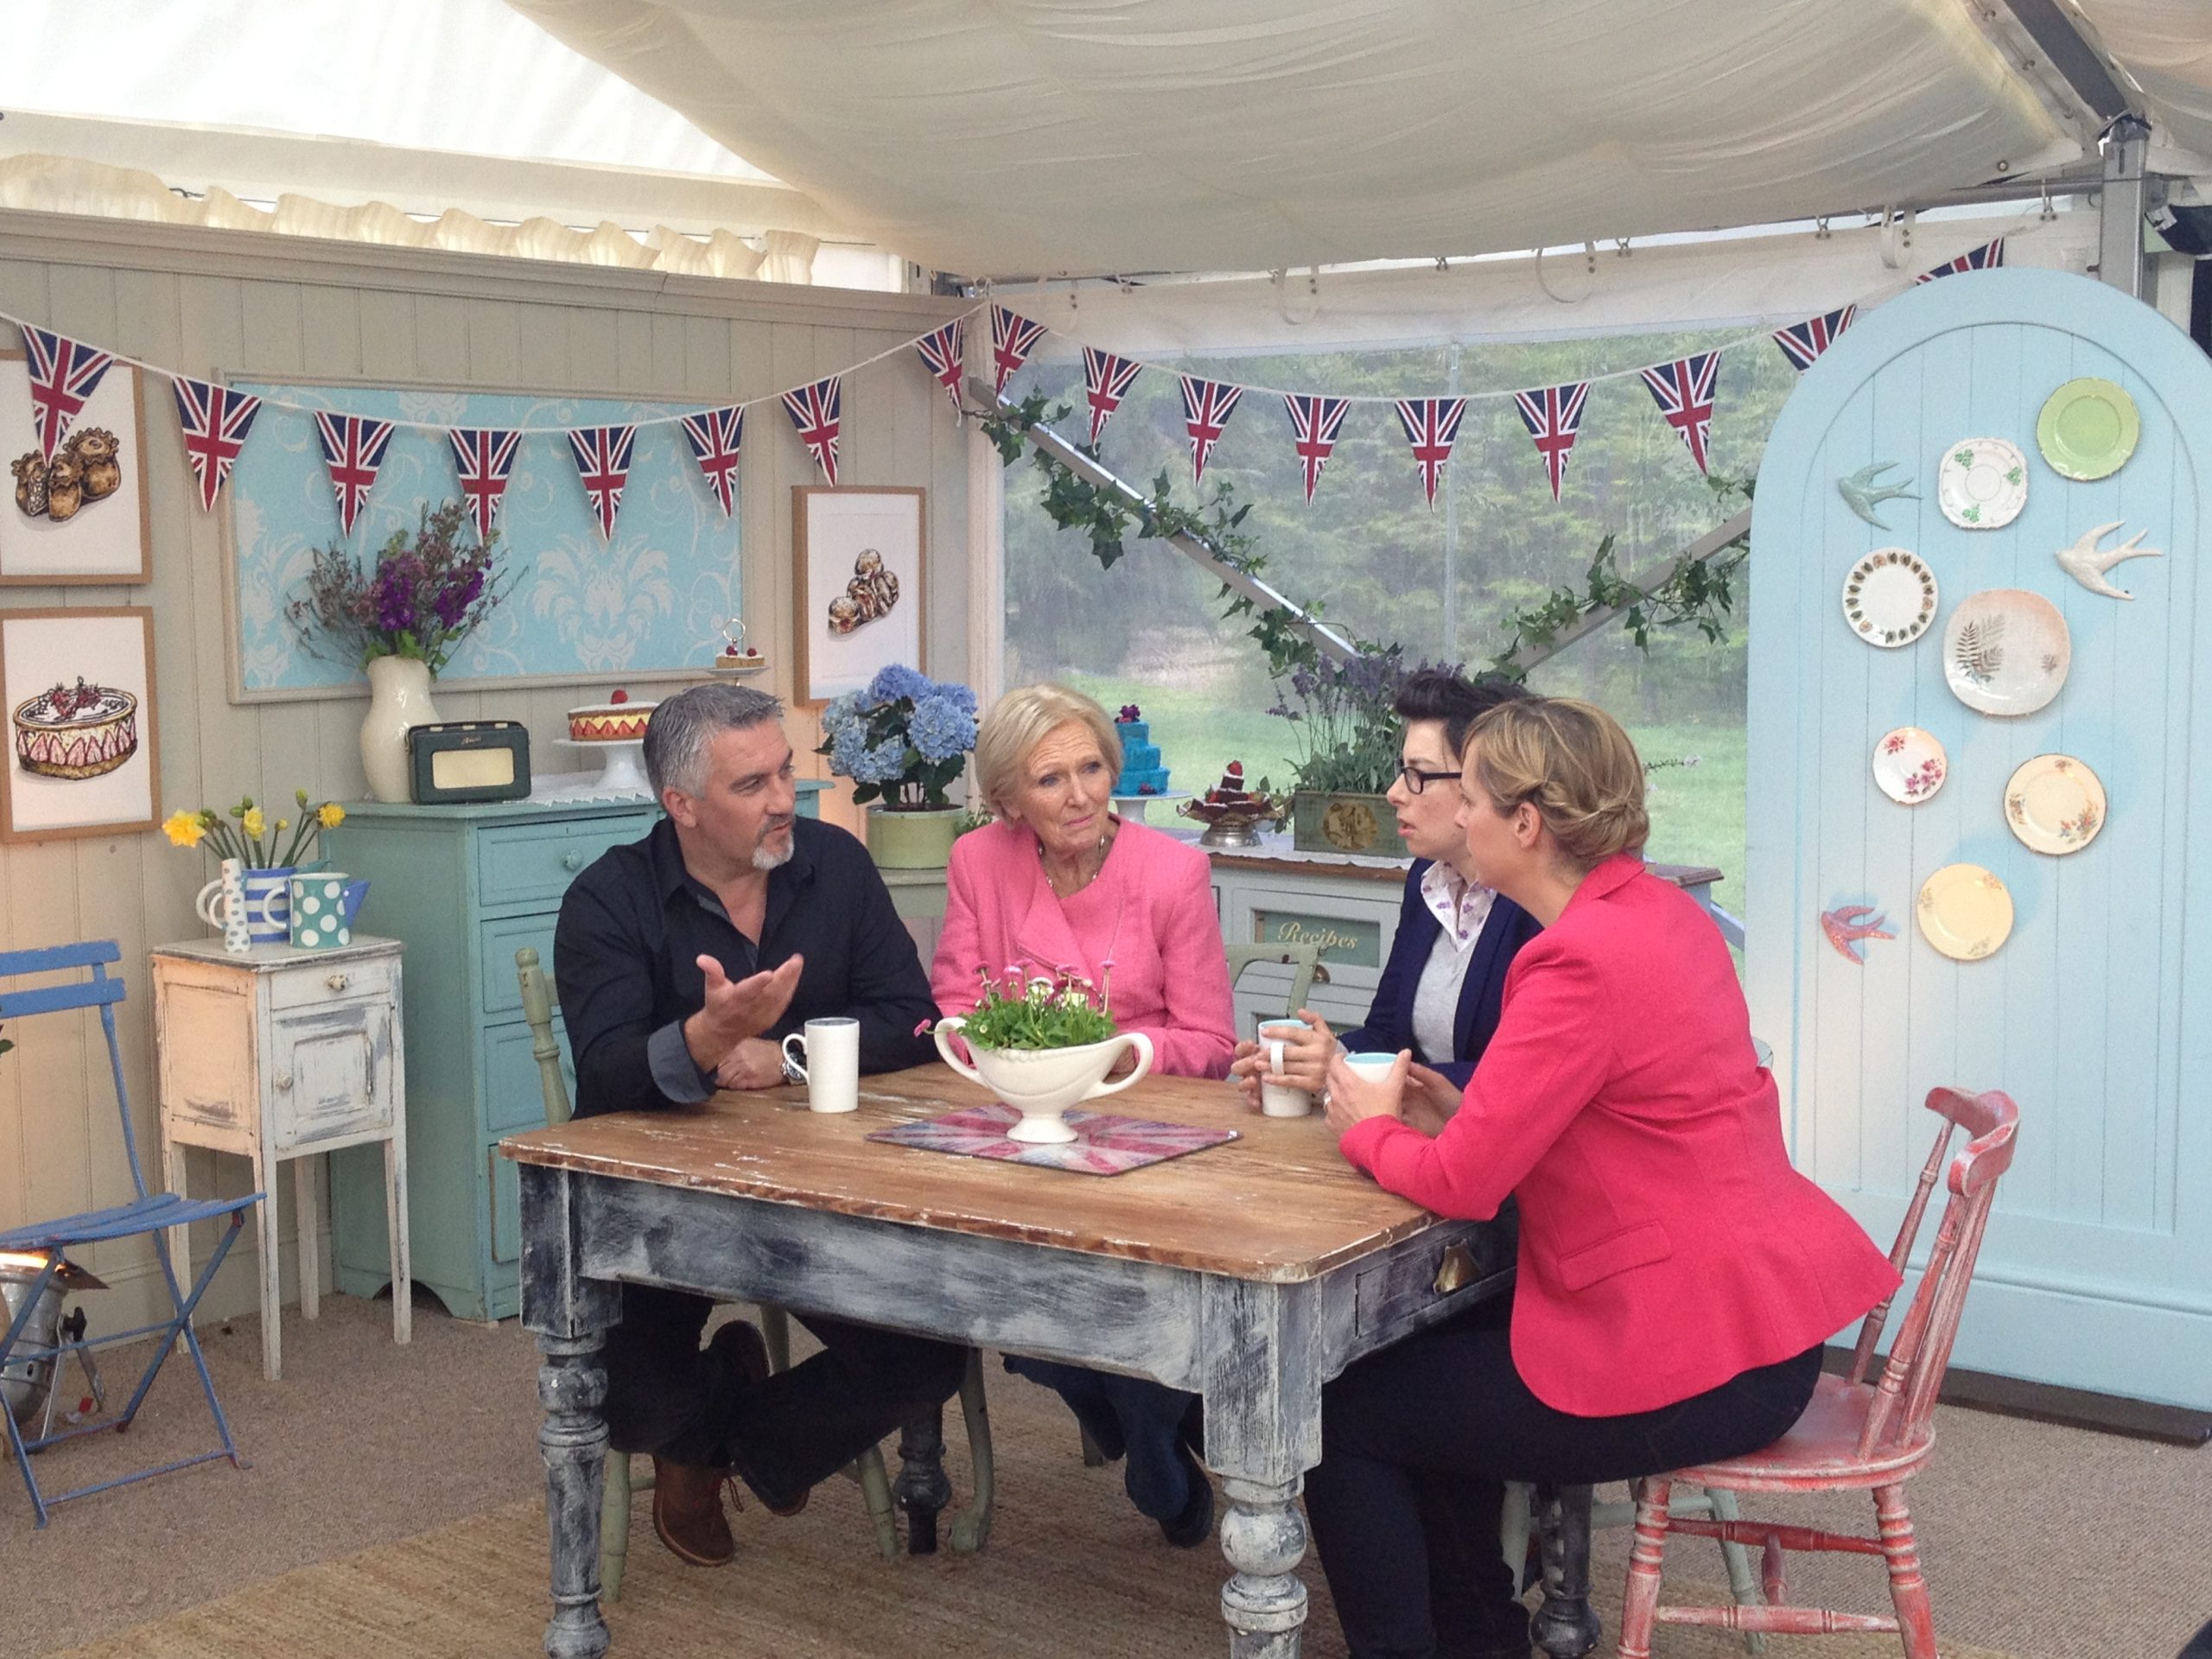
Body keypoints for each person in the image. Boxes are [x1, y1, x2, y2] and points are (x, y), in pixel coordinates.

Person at [1306, 696, 1902, 1659]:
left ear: (1526, 825)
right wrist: (1452, 1109)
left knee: (1342, 1414)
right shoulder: (1659, 913)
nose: (1458, 818)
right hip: (1759, 1318)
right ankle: (1477, 1638)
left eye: (1475, 803)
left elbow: (1461, 1187)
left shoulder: (1575, 959)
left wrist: (1366, 1130)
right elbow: (1609, 1114)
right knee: (1421, 1366)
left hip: (1704, 1351)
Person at [554, 682, 964, 1570]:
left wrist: (790, 1053)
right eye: (752, 786)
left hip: (825, 1202)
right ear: (683, 806)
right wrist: (705, 1037)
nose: (783, 799)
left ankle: (739, 1446)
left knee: (927, 1355)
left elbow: (913, 1017)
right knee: (622, 1398)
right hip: (662, 1212)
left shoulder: (836, 866)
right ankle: (713, 1405)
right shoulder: (608, 899)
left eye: (785, 771)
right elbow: (605, 1071)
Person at [931, 682, 1236, 1546]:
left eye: (1092, 768)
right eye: (1050, 779)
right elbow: (954, 1003)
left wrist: (1098, 1056)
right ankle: (1143, 1420)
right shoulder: (977, 862)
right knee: (1011, 1299)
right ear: (1006, 800)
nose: (1080, 797)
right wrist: (1022, 1065)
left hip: (1154, 1140)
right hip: (1022, 1131)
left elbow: (1209, 1040)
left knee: (1114, 1295)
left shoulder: (1172, 870)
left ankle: (1144, 1433)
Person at [1228, 670, 1542, 1117]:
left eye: (1420, 775)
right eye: (1402, 771)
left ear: (1491, 784)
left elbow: (1522, 1082)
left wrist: (1342, 1070)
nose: (1395, 793)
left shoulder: (1538, 904)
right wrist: (1308, 1061)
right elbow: (1387, 1035)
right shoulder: (1426, 879)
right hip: (1420, 1144)